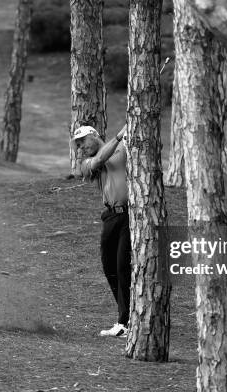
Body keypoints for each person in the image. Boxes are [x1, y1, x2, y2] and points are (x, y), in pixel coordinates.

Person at [72, 124, 130, 337]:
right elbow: (99, 161)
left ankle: (125, 322)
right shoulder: (88, 163)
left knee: (124, 266)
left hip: (130, 215)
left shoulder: (123, 147)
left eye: (83, 141)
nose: (81, 147)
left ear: (95, 136)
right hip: (111, 216)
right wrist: (118, 136)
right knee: (110, 267)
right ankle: (127, 316)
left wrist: (123, 135)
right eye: (77, 145)